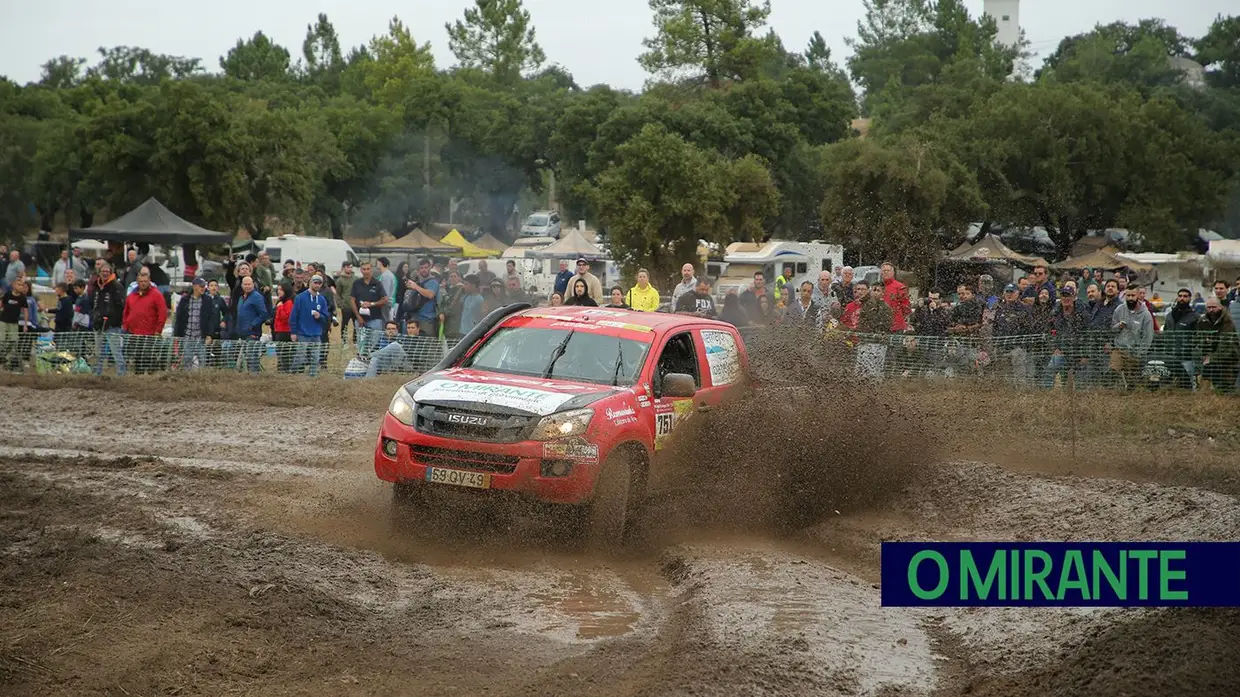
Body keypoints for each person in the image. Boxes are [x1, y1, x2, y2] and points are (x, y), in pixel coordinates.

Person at [121, 267, 168, 374]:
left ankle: (150, 376)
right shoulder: (131, 296)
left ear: (149, 281)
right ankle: (139, 376)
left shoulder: (156, 295)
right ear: (137, 282)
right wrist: (125, 326)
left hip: (149, 333)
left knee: (148, 356)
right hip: (134, 332)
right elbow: (126, 312)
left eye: (145, 281)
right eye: (141, 281)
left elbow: (163, 313)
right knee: (137, 357)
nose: (143, 283)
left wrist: (158, 330)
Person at [173, 277, 219, 371]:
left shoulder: (208, 300)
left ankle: (202, 378)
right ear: (194, 287)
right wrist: (177, 334)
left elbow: (212, 319)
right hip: (187, 337)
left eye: (204, 286)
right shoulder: (185, 300)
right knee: (186, 362)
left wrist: (210, 334)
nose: (203, 288)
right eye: (201, 286)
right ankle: (187, 378)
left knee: (203, 362)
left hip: (201, 337)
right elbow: (179, 318)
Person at [290, 274, 332, 377]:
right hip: (302, 332)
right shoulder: (300, 297)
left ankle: (313, 376)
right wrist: (293, 332)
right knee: (300, 357)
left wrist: (320, 316)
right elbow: (294, 315)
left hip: (316, 333)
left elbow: (326, 316)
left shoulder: (321, 299)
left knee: (315, 357)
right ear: (310, 283)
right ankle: (292, 374)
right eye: (315, 282)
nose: (317, 285)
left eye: (319, 283)